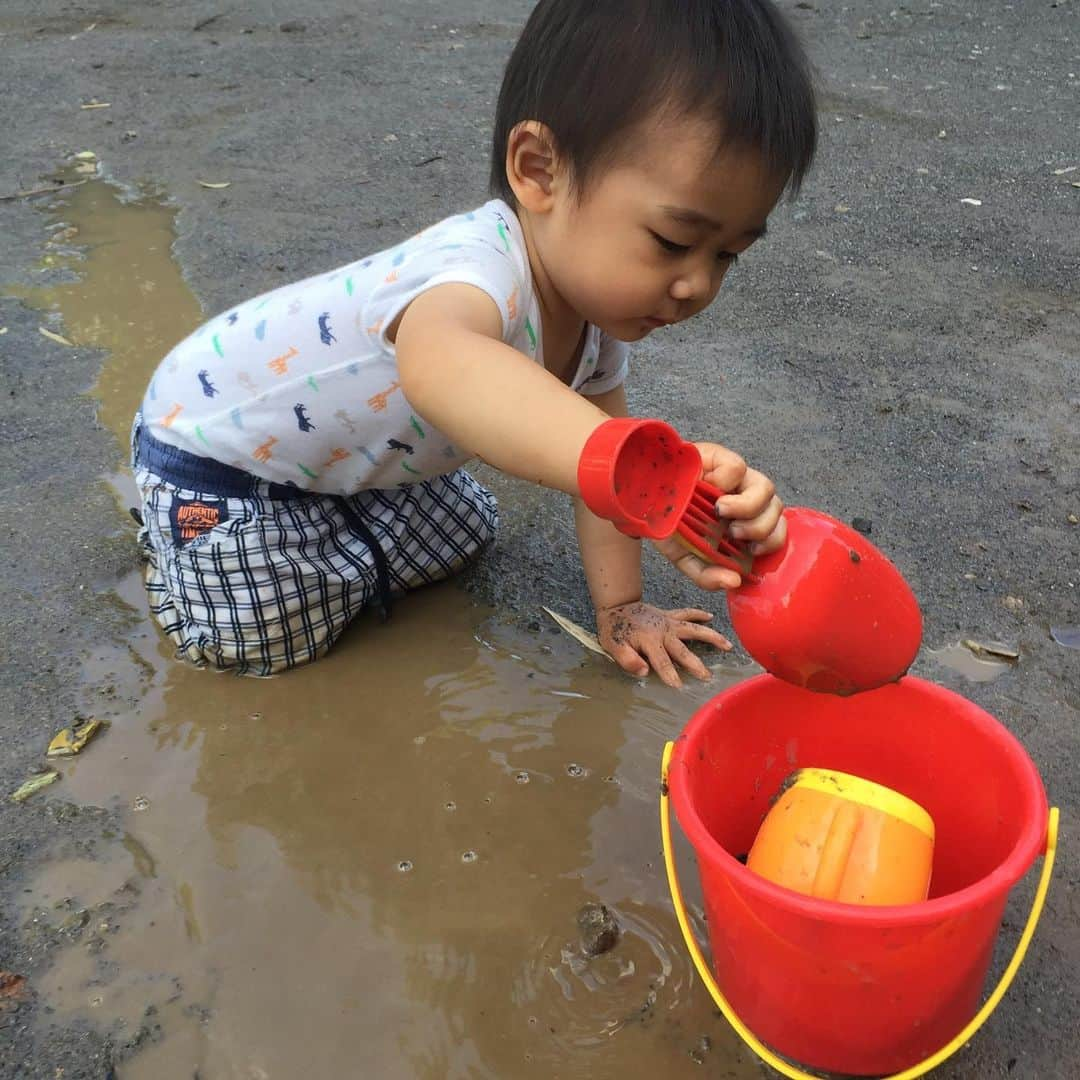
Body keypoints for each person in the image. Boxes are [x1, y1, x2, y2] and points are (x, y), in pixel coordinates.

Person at [130, 0, 817, 688]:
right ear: (539, 170)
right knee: (264, 638)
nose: (696, 285)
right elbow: (442, 367)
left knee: (465, 532)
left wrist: (623, 603)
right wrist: (632, 472)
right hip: (217, 455)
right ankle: (173, 546)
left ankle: (324, 529)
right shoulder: (472, 272)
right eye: (673, 242)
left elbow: (603, 474)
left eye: (728, 255)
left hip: (342, 456)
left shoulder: (597, 324)